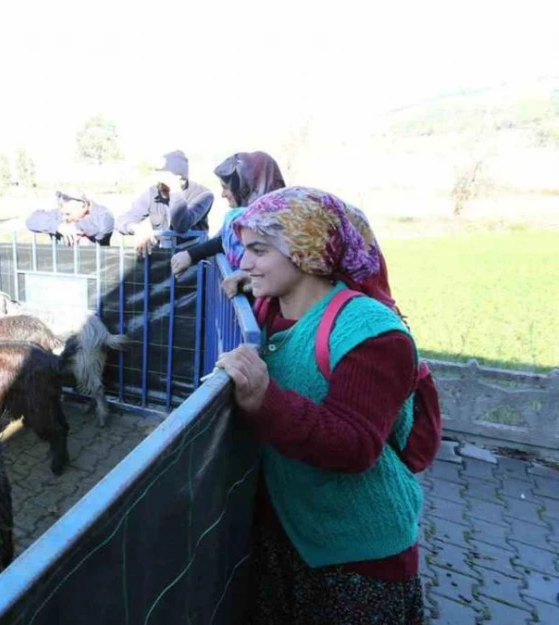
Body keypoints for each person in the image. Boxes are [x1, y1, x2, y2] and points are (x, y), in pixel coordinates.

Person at [215, 186, 425, 625]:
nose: (244, 261)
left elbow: (354, 446)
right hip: (292, 533)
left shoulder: (373, 334)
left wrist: (262, 399)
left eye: (258, 250)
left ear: (306, 251)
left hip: (357, 556)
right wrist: (249, 289)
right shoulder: (271, 307)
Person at [169, 151, 286, 277]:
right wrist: (191, 255)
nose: (223, 194)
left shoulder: (269, 223)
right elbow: (222, 240)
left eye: (226, 187)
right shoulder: (246, 219)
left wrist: (247, 277)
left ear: (244, 186)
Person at [114, 150, 213, 255]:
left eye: (163, 177)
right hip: (162, 256)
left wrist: (174, 191)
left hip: (192, 257)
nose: (159, 183)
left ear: (181, 179)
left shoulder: (203, 195)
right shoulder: (152, 192)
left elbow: (181, 226)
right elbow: (121, 220)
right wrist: (137, 229)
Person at [25, 190, 115, 245]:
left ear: (83, 206)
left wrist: (75, 227)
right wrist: (59, 227)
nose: (64, 217)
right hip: (65, 268)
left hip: (96, 270)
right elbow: (31, 221)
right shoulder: (63, 212)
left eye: (68, 214)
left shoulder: (102, 214)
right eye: (63, 213)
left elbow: (102, 227)